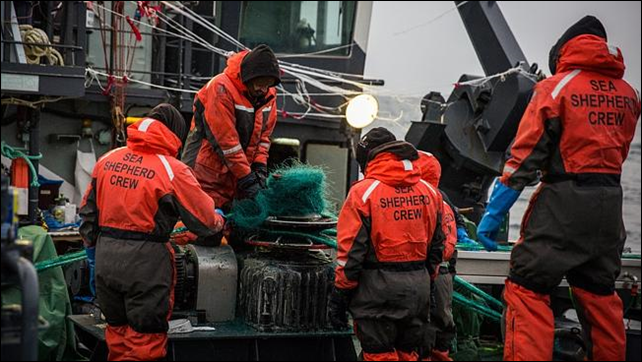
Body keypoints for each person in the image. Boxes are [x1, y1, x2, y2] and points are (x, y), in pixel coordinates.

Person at [476, 16, 641, 361]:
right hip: (609, 207)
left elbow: (523, 160)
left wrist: (494, 213)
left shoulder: (556, 88)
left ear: (563, 51)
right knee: (599, 294)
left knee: (527, 288)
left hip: (562, 206)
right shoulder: (629, 94)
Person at [79, 103, 225, 361]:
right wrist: (218, 221)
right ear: (174, 135)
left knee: (117, 335)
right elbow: (203, 222)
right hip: (145, 265)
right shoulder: (173, 170)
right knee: (145, 342)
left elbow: (87, 215)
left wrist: (92, 256)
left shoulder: (108, 159)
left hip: (105, 261)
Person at [328, 127, 445, 361]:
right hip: (418, 290)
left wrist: (340, 294)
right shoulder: (430, 193)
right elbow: (437, 247)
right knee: (408, 354)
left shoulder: (363, 193)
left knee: (379, 355)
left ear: (367, 159)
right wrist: (428, 284)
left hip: (377, 293)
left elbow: (350, 255)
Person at [181, 44, 281, 210]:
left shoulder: (268, 94)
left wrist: (259, 167)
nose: (264, 89)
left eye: (268, 84)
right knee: (203, 221)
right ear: (248, 77)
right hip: (208, 173)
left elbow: (263, 138)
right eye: (260, 83)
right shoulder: (221, 88)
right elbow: (226, 142)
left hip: (236, 174)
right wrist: (247, 177)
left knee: (230, 226)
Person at [415, 150, 476, 361]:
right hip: (443, 272)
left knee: (418, 330)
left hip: (420, 273)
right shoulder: (443, 198)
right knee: (442, 327)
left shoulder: (415, 198)